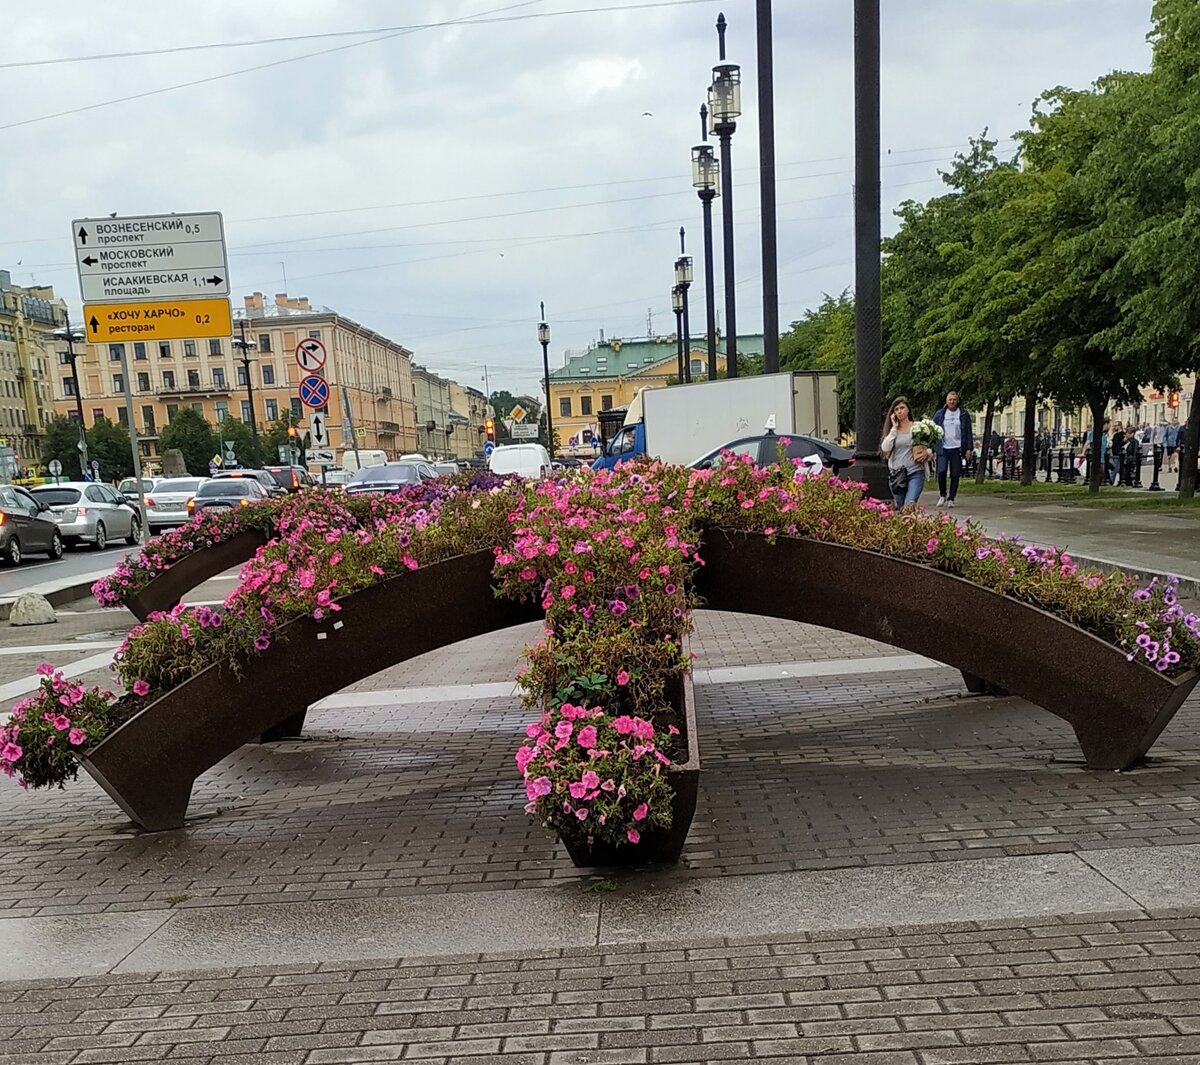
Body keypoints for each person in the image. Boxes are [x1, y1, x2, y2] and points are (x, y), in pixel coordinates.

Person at [880, 396, 925, 510]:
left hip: (915, 471)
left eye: (902, 408)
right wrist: (894, 428)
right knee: (901, 509)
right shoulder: (893, 431)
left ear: (908, 409)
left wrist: (928, 452)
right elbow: (885, 448)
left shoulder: (917, 427)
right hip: (898, 475)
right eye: (896, 409)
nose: (899, 411)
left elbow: (927, 445)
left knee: (909, 505)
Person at [933, 391, 973, 507]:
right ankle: (942, 495)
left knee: (955, 474)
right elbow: (933, 429)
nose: (952, 402)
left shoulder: (963, 414)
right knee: (941, 472)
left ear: (957, 401)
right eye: (950, 399)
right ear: (946, 401)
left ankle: (951, 498)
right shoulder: (940, 414)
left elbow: (968, 432)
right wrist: (932, 447)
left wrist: (969, 448)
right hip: (943, 448)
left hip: (957, 448)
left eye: (954, 399)